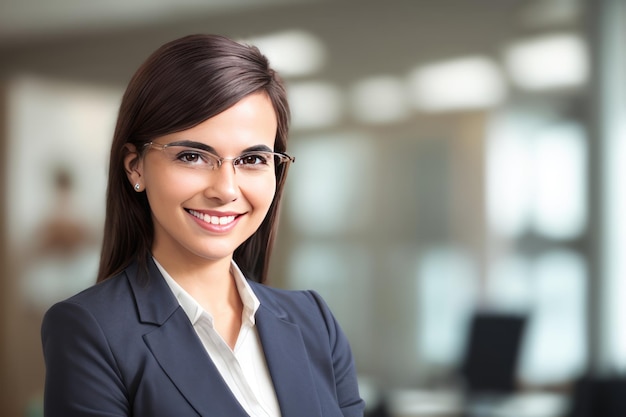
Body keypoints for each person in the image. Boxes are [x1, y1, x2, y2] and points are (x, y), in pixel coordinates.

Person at [41, 34, 364, 417]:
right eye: (193, 156)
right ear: (135, 166)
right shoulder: (91, 331)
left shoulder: (314, 321)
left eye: (252, 160)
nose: (225, 190)